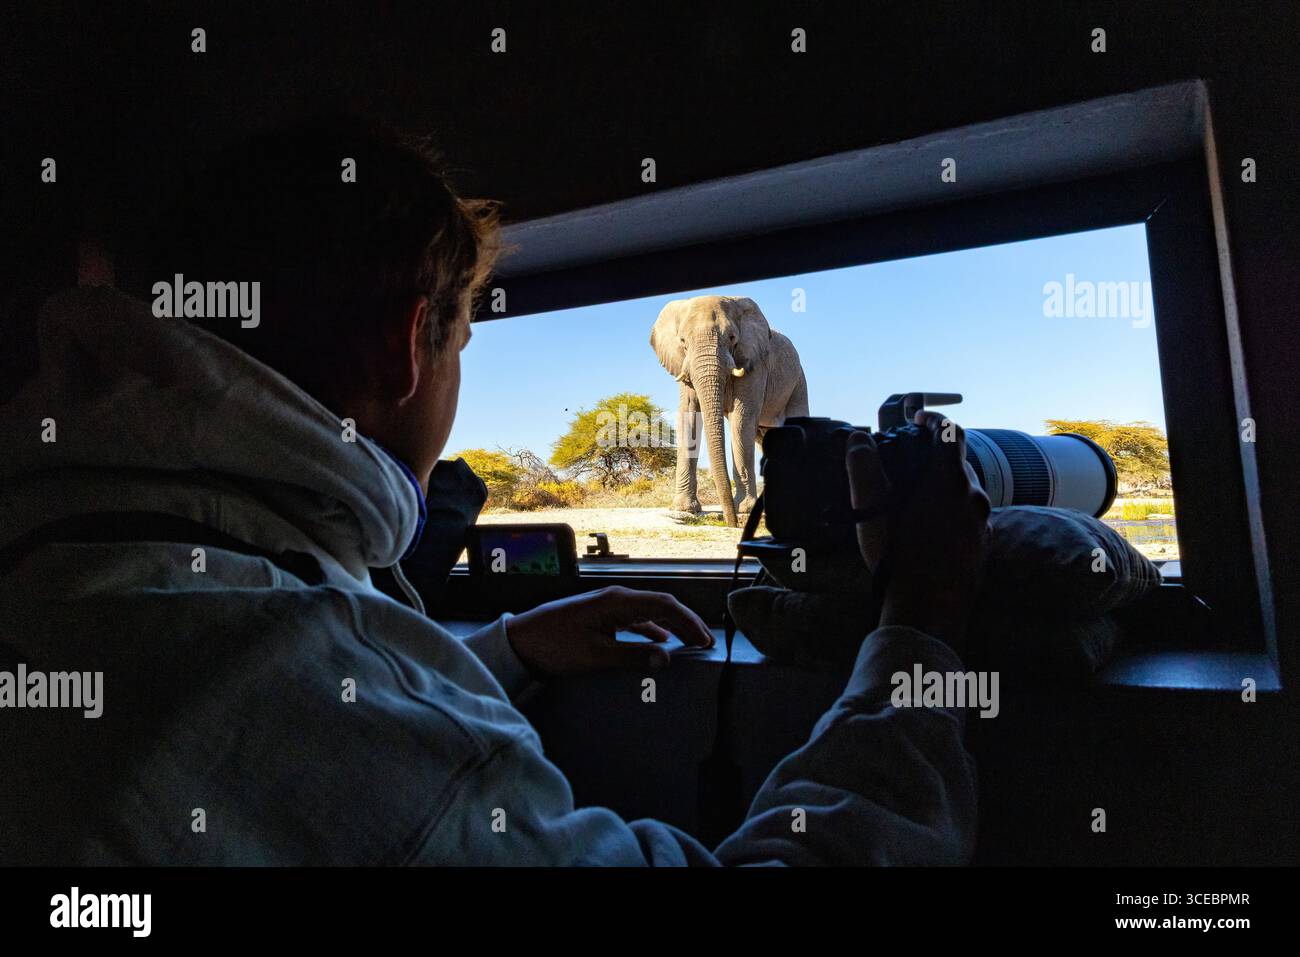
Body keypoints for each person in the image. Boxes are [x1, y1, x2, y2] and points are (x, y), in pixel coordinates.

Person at [0, 121, 989, 865]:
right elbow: (310, 708)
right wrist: (917, 628)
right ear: (405, 347)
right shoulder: (302, 693)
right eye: (462, 342)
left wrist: (501, 648)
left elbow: (275, 674)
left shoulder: (71, 549)